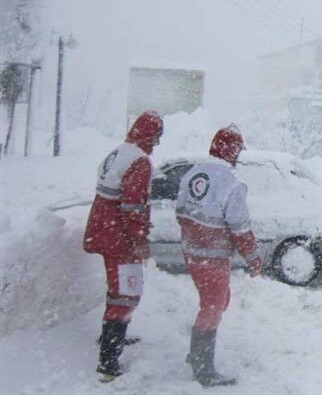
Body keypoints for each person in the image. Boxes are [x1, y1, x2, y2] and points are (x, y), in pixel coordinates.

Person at [175, 124, 262, 387]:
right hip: (212, 256)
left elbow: (180, 211)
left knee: (219, 301)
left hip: (192, 252)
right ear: (232, 151)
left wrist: (194, 236)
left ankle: (197, 353)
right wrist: (253, 258)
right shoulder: (232, 183)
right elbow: (241, 227)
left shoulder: (194, 172)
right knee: (213, 306)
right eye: (237, 151)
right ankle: (203, 368)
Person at [83, 110, 163, 381]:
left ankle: (112, 336)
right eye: (157, 136)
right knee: (126, 292)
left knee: (117, 289)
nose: (158, 143)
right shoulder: (140, 162)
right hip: (120, 237)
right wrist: (139, 240)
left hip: (103, 230)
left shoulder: (119, 152)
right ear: (149, 134)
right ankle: (108, 362)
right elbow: (133, 207)